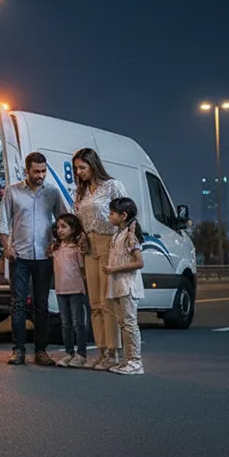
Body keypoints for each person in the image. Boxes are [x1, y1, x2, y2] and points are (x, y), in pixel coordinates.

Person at [0, 151, 62, 366]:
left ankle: (41, 351)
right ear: (27, 171)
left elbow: (64, 220)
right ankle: (18, 351)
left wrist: (57, 242)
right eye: (36, 171)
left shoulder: (52, 192)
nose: (41, 175)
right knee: (18, 305)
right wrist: (7, 247)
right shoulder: (13, 192)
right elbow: (3, 222)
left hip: (44, 256)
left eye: (43, 171)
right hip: (20, 256)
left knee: (41, 305)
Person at [72, 147, 128, 371]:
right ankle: (102, 350)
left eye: (82, 167)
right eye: (76, 168)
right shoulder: (82, 191)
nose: (79, 172)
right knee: (94, 304)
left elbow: (128, 214)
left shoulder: (112, 186)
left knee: (108, 303)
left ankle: (114, 352)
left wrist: (123, 243)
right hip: (89, 246)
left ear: (93, 165)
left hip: (109, 244)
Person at [102, 197, 145, 375]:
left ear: (123, 215)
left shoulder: (130, 235)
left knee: (129, 323)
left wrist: (114, 269)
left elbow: (139, 262)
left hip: (128, 285)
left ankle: (135, 361)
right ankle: (127, 360)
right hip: (118, 285)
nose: (109, 216)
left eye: (112, 213)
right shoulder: (118, 234)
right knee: (122, 323)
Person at [49, 213, 90, 368]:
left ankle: (81, 353)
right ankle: (69, 352)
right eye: (58, 227)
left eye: (64, 227)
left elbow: (82, 269)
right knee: (65, 323)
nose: (60, 230)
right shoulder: (55, 248)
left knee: (78, 323)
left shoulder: (77, 248)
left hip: (76, 290)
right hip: (61, 290)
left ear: (73, 229)